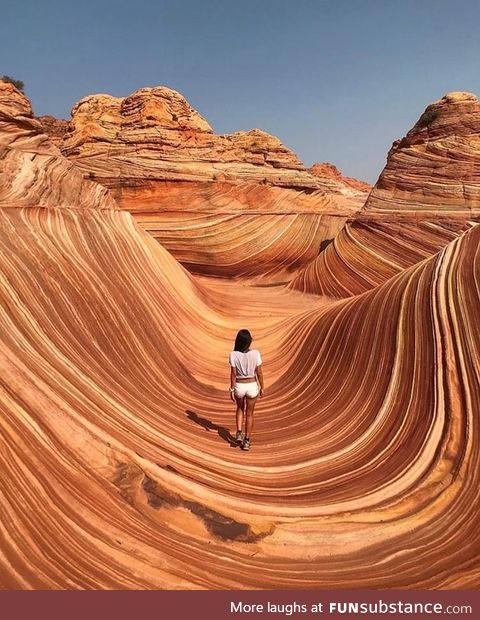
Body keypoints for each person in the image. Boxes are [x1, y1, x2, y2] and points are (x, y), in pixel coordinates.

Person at [228, 329, 264, 451]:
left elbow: (233, 374)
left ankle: (239, 432)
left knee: (239, 408)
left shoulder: (233, 355)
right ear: (249, 342)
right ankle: (247, 441)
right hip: (252, 385)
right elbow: (259, 372)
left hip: (239, 385)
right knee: (250, 414)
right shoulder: (256, 353)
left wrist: (232, 389)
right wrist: (262, 387)